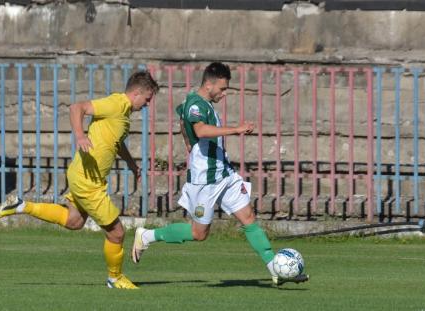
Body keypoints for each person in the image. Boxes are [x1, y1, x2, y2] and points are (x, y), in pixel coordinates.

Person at [131, 62, 309, 287]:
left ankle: (273, 267)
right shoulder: (196, 104)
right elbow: (200, 130)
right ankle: (146, 236)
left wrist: (188, 144)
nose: (224, 94)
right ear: (209, 84)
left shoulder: (198, 102)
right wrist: (235, 129)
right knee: (199, 233)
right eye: (222, 89)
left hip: (224, 173)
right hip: (206, 179)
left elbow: (182, 124)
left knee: (248, 218)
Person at [0, 71, 159, 290]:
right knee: (117, 233)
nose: (147, 104)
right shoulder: (116, 103)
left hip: (86, 176)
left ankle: (22, 205)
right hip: (87, 180)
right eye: (147, 99)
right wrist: (80, 135)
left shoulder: (123, 113)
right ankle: (115, 278)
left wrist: (130, 163)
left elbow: (116, 142)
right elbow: (76, 108)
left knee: (74, 221)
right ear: (137, 92)